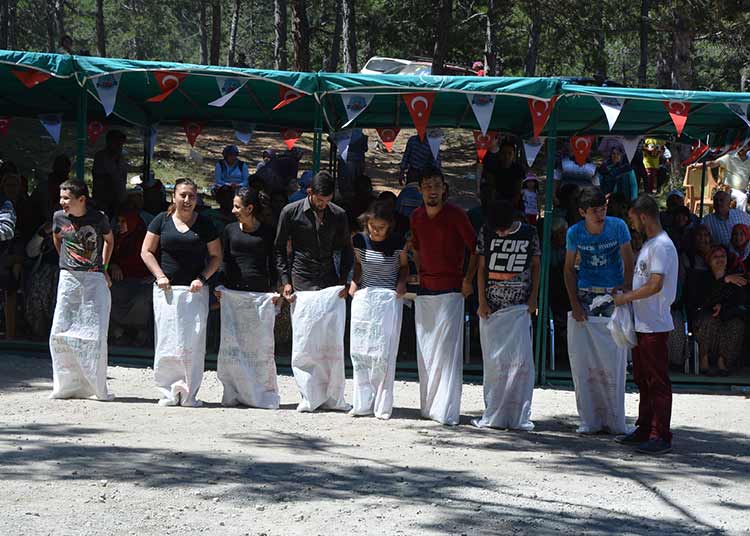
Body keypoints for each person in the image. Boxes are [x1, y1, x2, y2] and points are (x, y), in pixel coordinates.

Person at [274, 171, 353, 412]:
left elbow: (347, 250)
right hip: (302, 278)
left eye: (327, 200)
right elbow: (279, 249)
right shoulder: (291, 211)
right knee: (305, 341)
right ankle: (308, 396)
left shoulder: (338, 214)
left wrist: (344, 281)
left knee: (331, 341)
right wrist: (286, 281)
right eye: (320, 200)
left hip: (329, 280)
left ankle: (333, 397)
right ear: (310, 193)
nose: (323, 205)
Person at [141, 178, 222, 407]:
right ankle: (168, 391)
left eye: (192, 196)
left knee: (193, 343)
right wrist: (159, 276)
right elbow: (146, 251)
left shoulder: (205, 224)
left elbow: (216, 256)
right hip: (167, 291)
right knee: (167, 341)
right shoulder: (162, 220)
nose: (187, 200)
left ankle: (189, 394)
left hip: (194, 292)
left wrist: (202, 278)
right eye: (183, 195)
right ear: (173, 197)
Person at [410, 167, 477, 425]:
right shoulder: (416, 217)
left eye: (437, 185)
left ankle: (446, 410)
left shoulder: (456, 215)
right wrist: (417, 273)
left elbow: (476, 249)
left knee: (447, 353)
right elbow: (415, 247)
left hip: (451, 289)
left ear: (444, 188)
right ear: (421, 190)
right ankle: (429, 407)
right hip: (426, 289)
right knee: (426, 350)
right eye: (427, 185)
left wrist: (468, 280)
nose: (433, 190)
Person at [564, 186, 633, 434]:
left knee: (613, 356)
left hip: (612, 294)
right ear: (583, 212)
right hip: (586, 293)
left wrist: (625, 290)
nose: (600, 215)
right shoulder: (574, 233)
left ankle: (615, 416)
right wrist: (574, 303)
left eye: (602, 209)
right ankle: (589, 418)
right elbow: (568, 269)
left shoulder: (618, 226)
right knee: (585, 359)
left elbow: (628, 260)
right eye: (594, 211)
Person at [613, 194, 679, 455]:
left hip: (655, 324)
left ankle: (660, 434)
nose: (632, 225)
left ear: (643, 216)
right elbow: (644, 281)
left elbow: (655, 284)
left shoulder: (662, 246)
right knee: (643, 378)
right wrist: (626, 290)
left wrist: (626, 297)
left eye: (632, 219)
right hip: (642, 322)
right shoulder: (651, 244)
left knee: (657, 380)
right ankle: (644, 428)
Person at [474, 199, 540, 430]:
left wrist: (533, 299)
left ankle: (518, 413)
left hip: (520, 307)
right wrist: (481, 300)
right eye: (497, 230)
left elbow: (536, 265)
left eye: (503, 229)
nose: (500, 233)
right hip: (492, 307)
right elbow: (481, 268)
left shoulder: (529, 233)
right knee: (494, 364)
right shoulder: (486, 231)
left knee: (520, 363)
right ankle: (494, 411)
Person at [216, 187, 280, 409]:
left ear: (249, 208)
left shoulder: (268, 232)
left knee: (259, 347)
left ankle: (260, 393)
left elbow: (273, 263)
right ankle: (233, 392)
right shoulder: (229, 230)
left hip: (259, 295)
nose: (233, 210)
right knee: (232, 347)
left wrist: (275, 290)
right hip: (233, 294)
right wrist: (220, 285)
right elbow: (224, 260)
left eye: (237, 206)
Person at [49, 180, 114, 400]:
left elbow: (108, 240)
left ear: (81, 199)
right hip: (69, 277)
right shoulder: (59, 217)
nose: (62, 202)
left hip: (93, 276)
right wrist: (64, 261)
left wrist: (103, 267)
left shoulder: (98, 218)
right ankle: (65, 385)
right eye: (61, 197)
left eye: (67, 198)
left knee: (93, 332)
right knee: (61, 329)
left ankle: (94, 386)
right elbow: (57, 238)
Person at [348, 200, 408, 419]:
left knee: (383, 353)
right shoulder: (358, 240)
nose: (375, 231)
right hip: (365, 298)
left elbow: (403, 266)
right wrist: (354, 283)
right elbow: (358, 266)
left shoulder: (398, 242)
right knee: (361, 350)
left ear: (389, 226)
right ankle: (362, 403)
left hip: (388, 300)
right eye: (372, 226)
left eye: (381, 228)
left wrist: (401, 284)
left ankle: (382, 404)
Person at [690, 245, 747, 376]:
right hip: (705, 317)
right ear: (709, 260)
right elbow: (702, 300)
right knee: (709, 319)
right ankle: (704, 360)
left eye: (723, 256)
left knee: (737, 324)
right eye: (716, 257)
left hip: (727, 317)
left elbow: (740, 303)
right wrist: (724, 281)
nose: (720, 259)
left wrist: (723, 308)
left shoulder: (735, 278)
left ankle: (723, 362)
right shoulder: (702, 278)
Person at [109, 208, 152, 347]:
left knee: (142, 300)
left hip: (142, 281)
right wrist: (113, 265)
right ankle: (119, 333)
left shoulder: (145, 239)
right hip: (122, 280)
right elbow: (108, 259)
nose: (120, 225)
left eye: (124, 222)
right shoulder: (116, 239)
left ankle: (141, 334)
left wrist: (153, 275)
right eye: (119, 221)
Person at [689, 144, 750, 212]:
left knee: (743, 196)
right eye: (741, 145)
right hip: (729, 189)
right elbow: (713, 163)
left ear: (748, 148)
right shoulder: (730, 157)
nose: (742, 148)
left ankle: (740, 217)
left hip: (744, 190)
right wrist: (697, 165)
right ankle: (740, 218)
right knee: (742, 197)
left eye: (744, 146)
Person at [92, 130, 129, 218]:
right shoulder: (101, 157)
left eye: (121, 144)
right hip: (104, 200)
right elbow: (110, 174)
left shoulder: (120, 157)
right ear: (109, 142)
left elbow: (122, 173)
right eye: (117, 143)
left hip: (118, 199)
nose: (119, 146)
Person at [482, 140, 526, 206]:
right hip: (496, 201)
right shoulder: (492, 167)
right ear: (500, 153)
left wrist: (513, 204)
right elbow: (490, 187)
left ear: (513, 154)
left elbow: (518, 190)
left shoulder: (518, 169)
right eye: (504, 153)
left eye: (510, 153)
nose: (506, 156)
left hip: (513, 202)